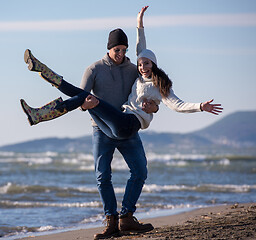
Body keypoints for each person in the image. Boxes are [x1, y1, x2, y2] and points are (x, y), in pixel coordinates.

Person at [20, 6, 222, 239]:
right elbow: (80, 99)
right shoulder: (95, 69)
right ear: (109, 48)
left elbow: (170, 98)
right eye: (118, 49)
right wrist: (139, 22)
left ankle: (126, 217)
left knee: (140, 171)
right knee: (101, 173)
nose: (124, 54)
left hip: (126, 127)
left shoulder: (139, 72)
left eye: (125, 50)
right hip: (102, 127)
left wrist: (187, 106)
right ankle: (111, 221)